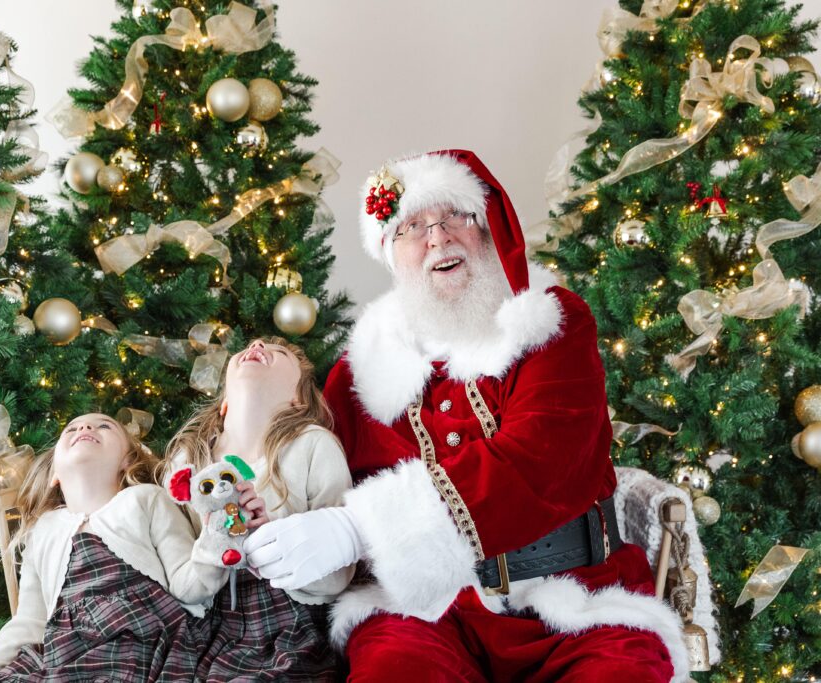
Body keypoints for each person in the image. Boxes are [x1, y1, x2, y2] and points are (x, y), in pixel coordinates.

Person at [246, 150, 687, 682]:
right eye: (412, 227)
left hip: (578, 599)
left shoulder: (553, 323)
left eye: (456, 216)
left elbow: (542, 462)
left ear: (490, 229)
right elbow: (303, 465)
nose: (437, 238)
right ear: (392, 255)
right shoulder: (358, 371)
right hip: (424, 611)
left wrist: (356, 527)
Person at [0, 412, 257, 682]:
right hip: (67, 652)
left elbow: (187, 585)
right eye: (72, 429)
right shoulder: (43, 530)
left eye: (104, 426)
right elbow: (29, 624)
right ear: (54, 473)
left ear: (128, 460)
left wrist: (215, 541)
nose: (84, 429)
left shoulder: (145, 499)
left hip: (143, 637)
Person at [161, 336, 354, 681]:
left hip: (287, 623)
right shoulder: (185, 464)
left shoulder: (313, 444)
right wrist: (216, 542)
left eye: (279, 352)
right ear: (223, 402)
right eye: (249, 346)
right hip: (201, 622)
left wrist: (269, 537)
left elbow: (339, 577)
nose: (259, 343)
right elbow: (177, 578)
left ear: (297, 399)